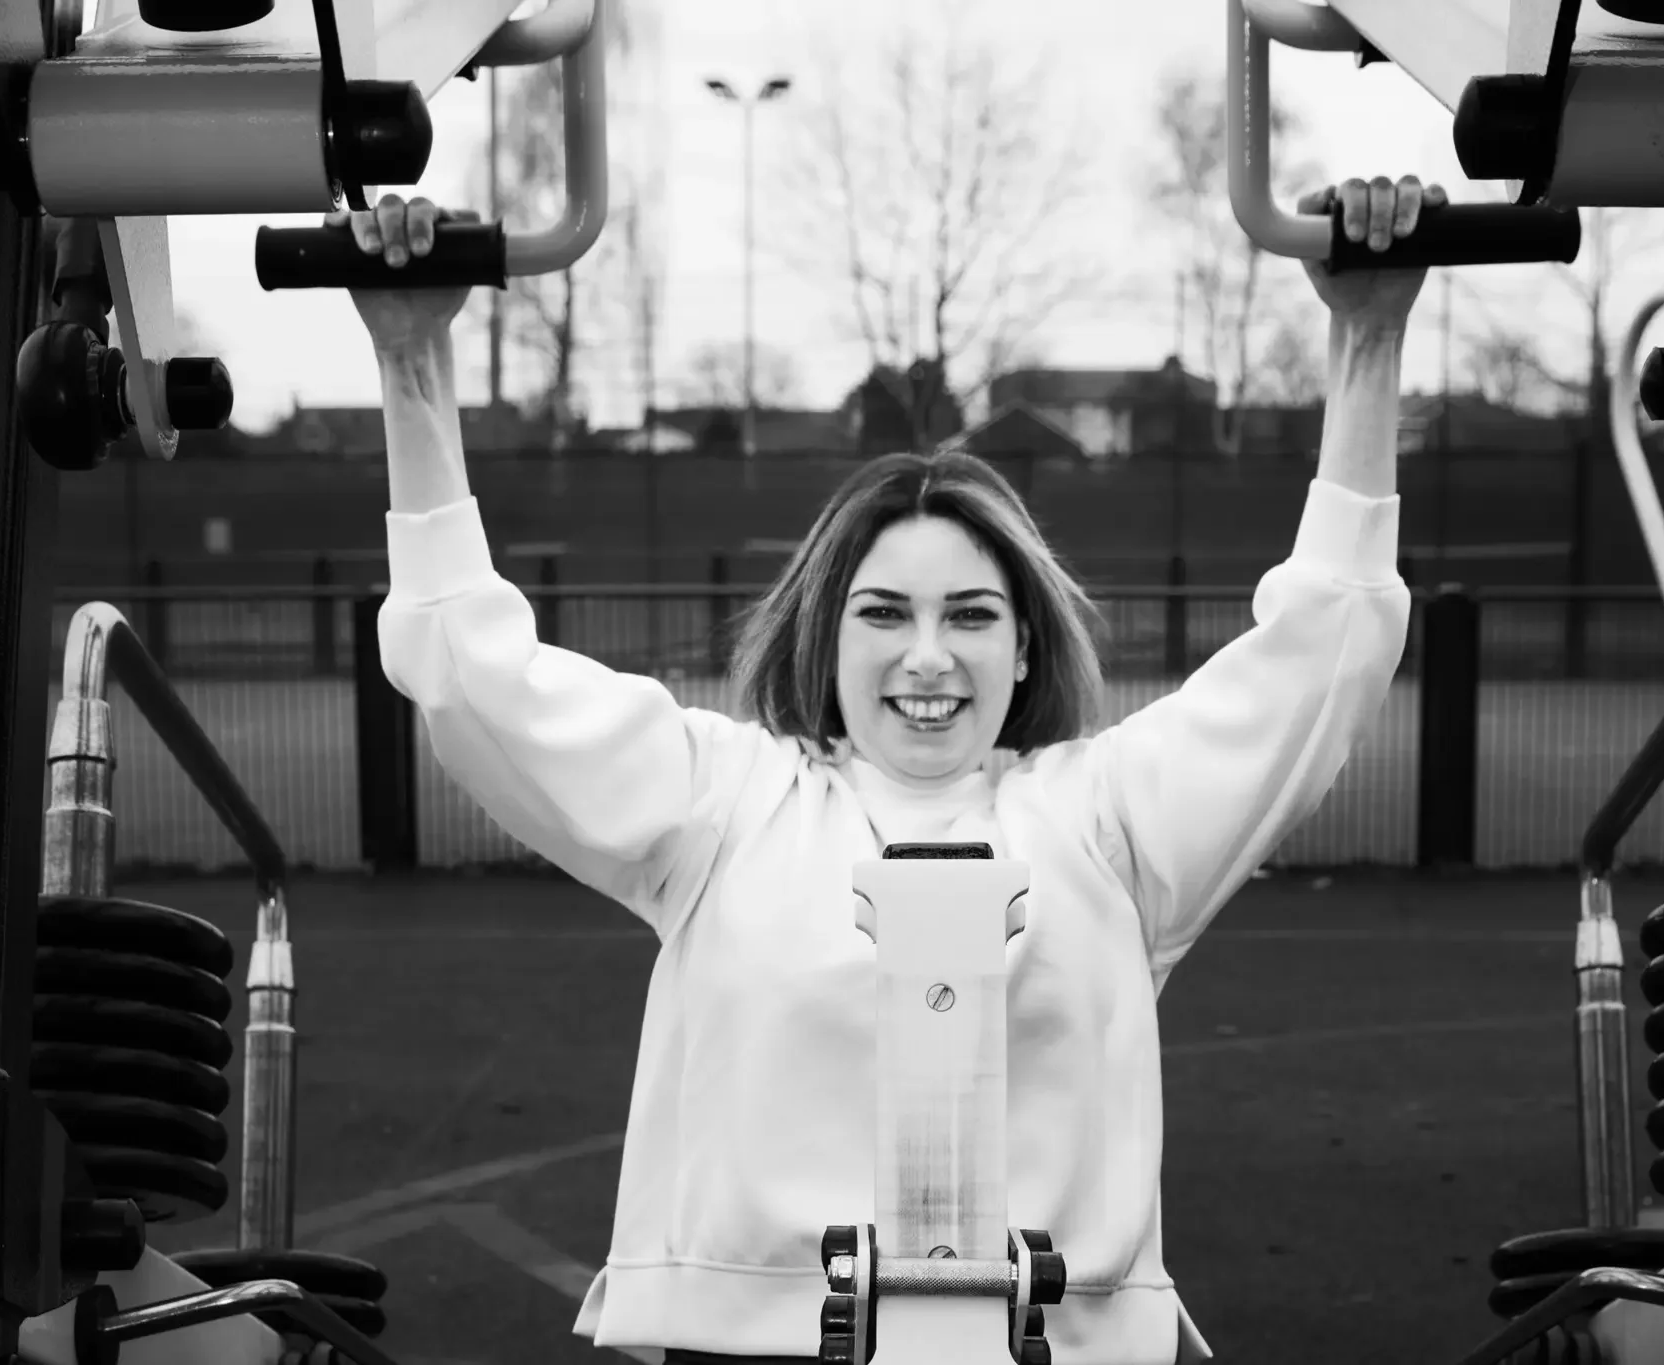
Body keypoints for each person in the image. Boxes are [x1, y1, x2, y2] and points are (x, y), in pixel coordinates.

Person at [333, 174, 1441, 1365]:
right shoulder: (725, 806)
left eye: (969, 614)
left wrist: (1366, 333)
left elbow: (1326, 647)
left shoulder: (1110, 822)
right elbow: (466, 667)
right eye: (882, 613)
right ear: (827, 636)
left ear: (1023, 649)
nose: (927, 655)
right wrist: (411, 359)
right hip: (750, 1346)